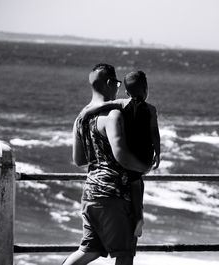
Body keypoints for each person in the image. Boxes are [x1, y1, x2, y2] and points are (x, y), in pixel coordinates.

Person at [65, 63, 151, 265]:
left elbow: (79, 160)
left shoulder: (81, 117)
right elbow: (121, 155)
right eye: (117, 83)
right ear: (111, 83)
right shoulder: (113, 115)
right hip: (114, 195)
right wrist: (144, 168)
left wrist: (99, 156)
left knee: (89, 250)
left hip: (90, 194)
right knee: (124, 253)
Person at [80, 70, 161, 237]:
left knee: (133, 182)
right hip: (145, 154)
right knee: (138, 184)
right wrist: (158, 153)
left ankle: (137, 217)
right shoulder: (151, 109)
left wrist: (88, 112)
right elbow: (155, 133)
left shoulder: (123, 103)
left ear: (127, 92)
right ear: (146, 89)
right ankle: (139, 216)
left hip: (131, 152)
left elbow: (105, 106)